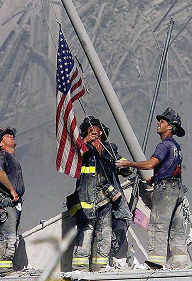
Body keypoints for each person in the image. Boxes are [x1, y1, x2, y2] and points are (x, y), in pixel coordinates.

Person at [116, 107, 189, 270]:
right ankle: (181, 262)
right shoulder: (176, 146)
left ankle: (157, 261)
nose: (158, 123)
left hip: (165, 191)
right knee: (176, 227)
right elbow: (170, 167)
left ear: (169, 127)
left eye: (162, 121)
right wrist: (155, 178)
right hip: (177, 190)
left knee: (158, 225)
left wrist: (128, 163)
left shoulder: (164, 145)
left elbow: (150, 164)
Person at [68, 116, 132, 272]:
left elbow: (124, 168)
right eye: (88, 128)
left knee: (105, 233)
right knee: (86, 232)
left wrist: (125, 167)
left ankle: (100, 266)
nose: (92, 129)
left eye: (95, 126)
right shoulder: (82, 148)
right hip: (87, 197)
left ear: (101, 131)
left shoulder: (110, 149)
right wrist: (85, 141)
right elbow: (73, 158)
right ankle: (80, 267)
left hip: (107, 198)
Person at [0, 126, 25, 277]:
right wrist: (11, 189)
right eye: (7, 135)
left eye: (11, 134)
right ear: (0, 143)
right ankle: (3, 270)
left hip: (13, 203)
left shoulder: (11, 157)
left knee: (11, 236)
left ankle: (6, 268)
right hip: (6, 202)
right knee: (7, 237)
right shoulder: (2, 155)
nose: (11, 136)